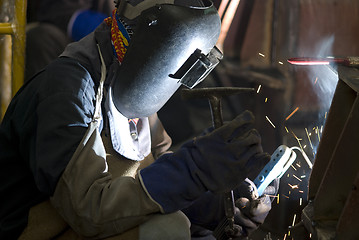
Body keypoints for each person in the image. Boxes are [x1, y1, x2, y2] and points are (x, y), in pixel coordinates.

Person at [0, 0, 276, 239]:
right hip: (37, 232)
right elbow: (88, 210)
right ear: (152, 35)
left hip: (85, 225)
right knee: (168, 230)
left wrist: (219, 202)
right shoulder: (67, 90)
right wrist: (193, 168)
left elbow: (149, 187)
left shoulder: (130, 86)